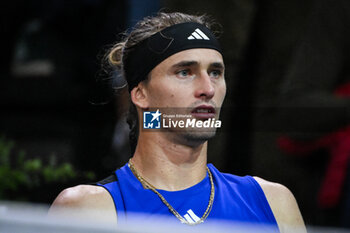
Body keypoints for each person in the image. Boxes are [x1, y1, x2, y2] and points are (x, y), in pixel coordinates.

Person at [49, 12, 306, 232]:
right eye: (185, 72)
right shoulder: (89, 208)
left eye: (215, 72)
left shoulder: (273, 201)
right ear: (140, 94)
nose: (208, 88)